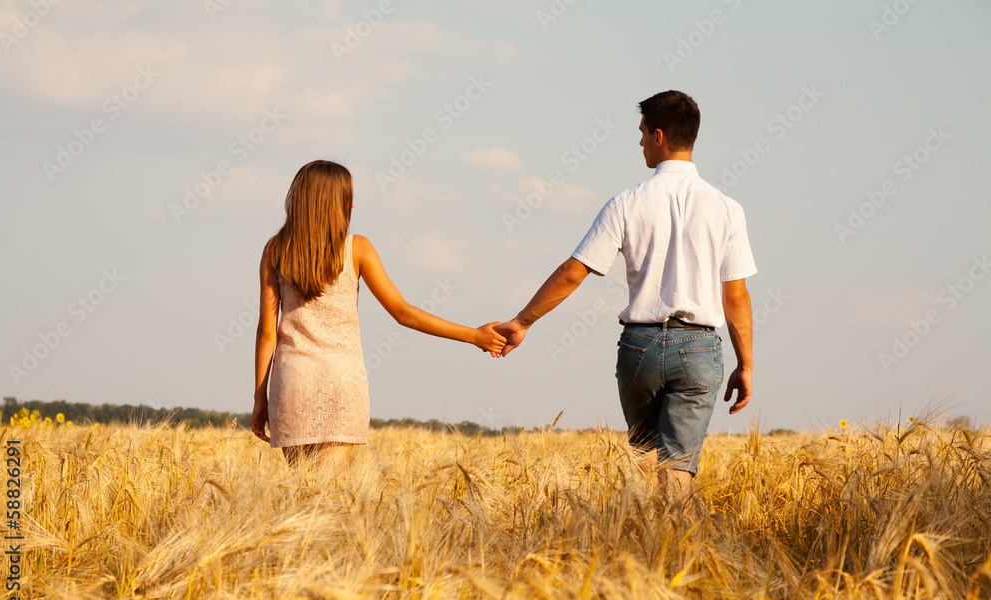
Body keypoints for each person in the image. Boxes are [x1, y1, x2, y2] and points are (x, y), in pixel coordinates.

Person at [494, 91, 756, 503]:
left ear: (658, 136)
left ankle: (637, 551)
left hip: (640, 347)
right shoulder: (728, 209)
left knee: (644, 462)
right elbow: (736, 296)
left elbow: (571, 273)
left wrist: (523, 321)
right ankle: (675, 557)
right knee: (678, 472)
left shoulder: (626, 202)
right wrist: (746, 364)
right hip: (700, 346)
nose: (638, 144)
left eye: (640, 135)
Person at [252, 160, 506, 469]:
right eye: (349, 196)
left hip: (292, 382)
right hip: (340, 383)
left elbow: (267, 332)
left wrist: (259, 399)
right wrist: (474, 335)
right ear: (336, 202)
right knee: (327, 497)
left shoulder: (275, 250)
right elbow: (404, 313)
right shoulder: (357, 249)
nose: (354, 203)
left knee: (302, 492)